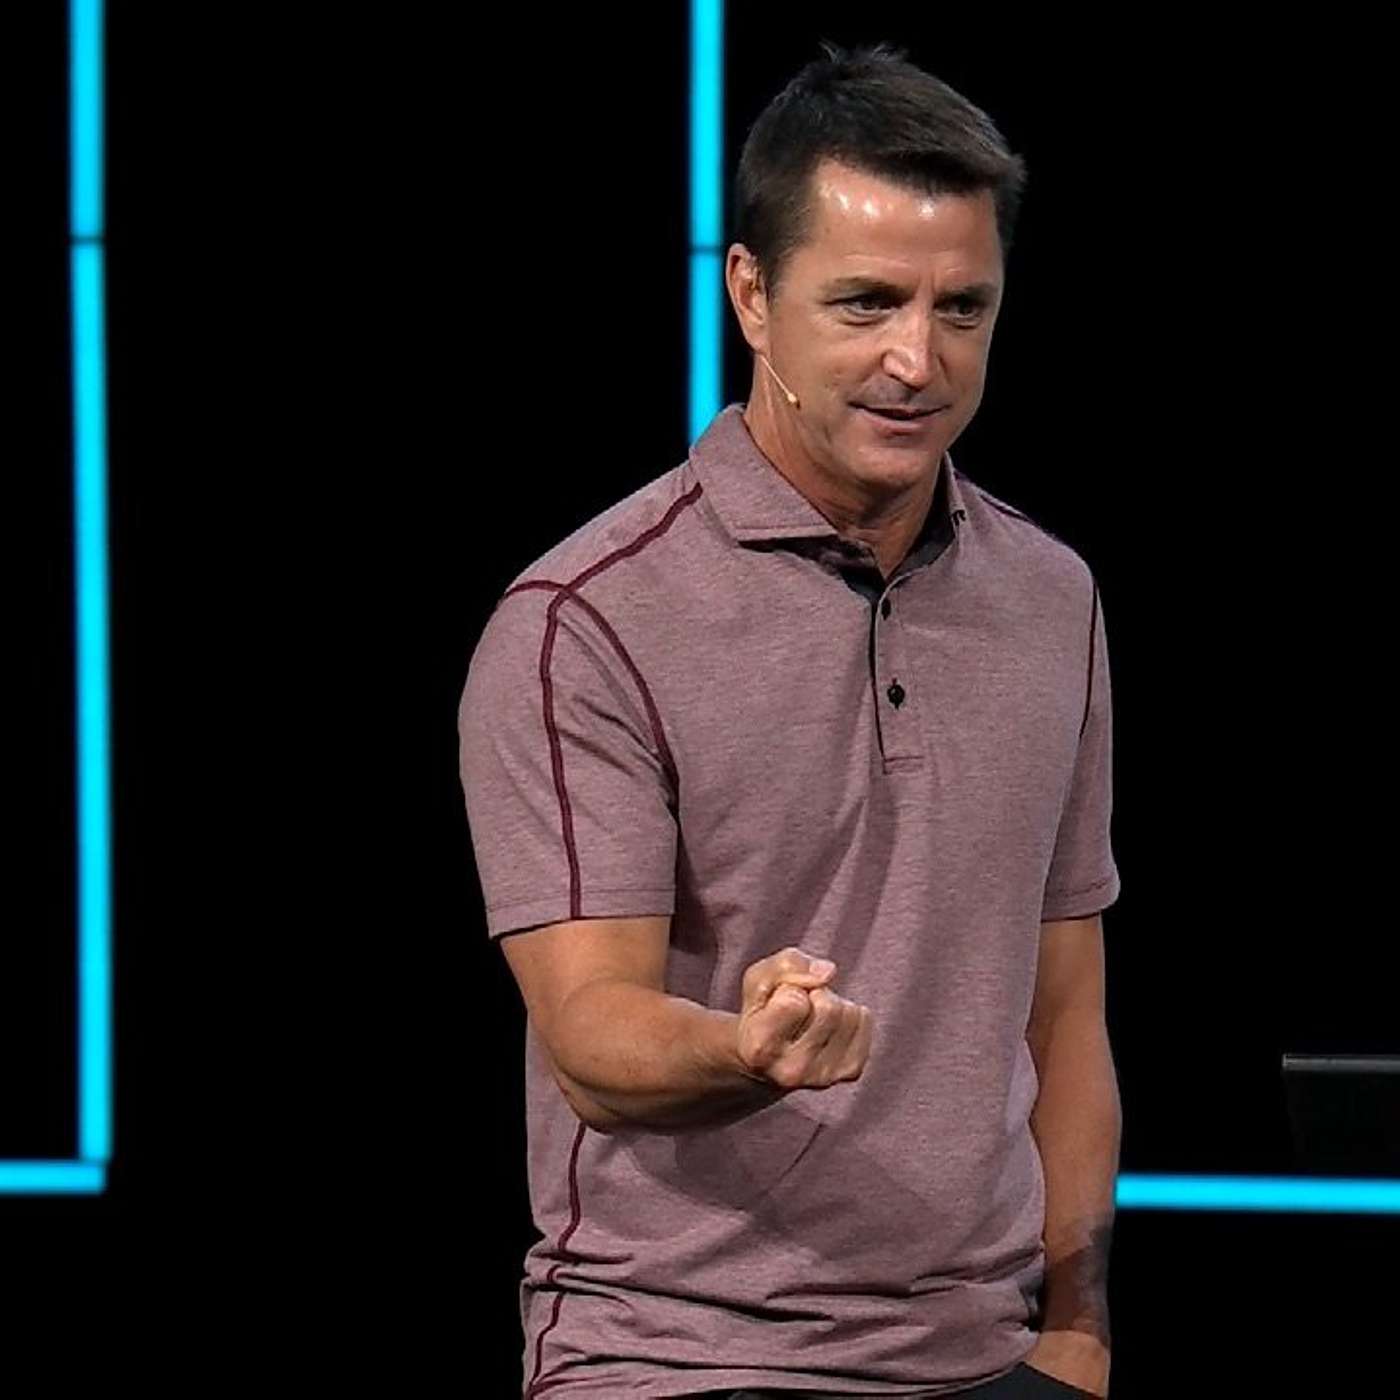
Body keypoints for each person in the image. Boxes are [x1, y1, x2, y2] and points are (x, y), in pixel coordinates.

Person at [458, 41, 1120, 1400]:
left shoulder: (1054, 598)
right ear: (753, 295)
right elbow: (592, 1039)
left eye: (963, 308)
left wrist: (1078, 1326)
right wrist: (747, 1052)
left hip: (987, 1357)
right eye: (867, 302)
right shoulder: (586, 618)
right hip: (673, 1351)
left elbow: (1065, 1007)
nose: (917, 360)